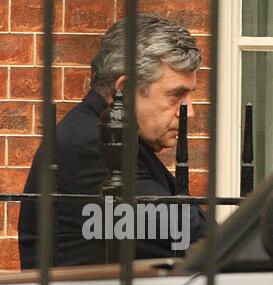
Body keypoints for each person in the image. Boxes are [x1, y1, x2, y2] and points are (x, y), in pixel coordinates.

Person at [19, 13, 207, 269]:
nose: (189, 111)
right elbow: (191, 234)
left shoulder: (109, 135)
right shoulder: (93, 146)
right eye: (176, 95)